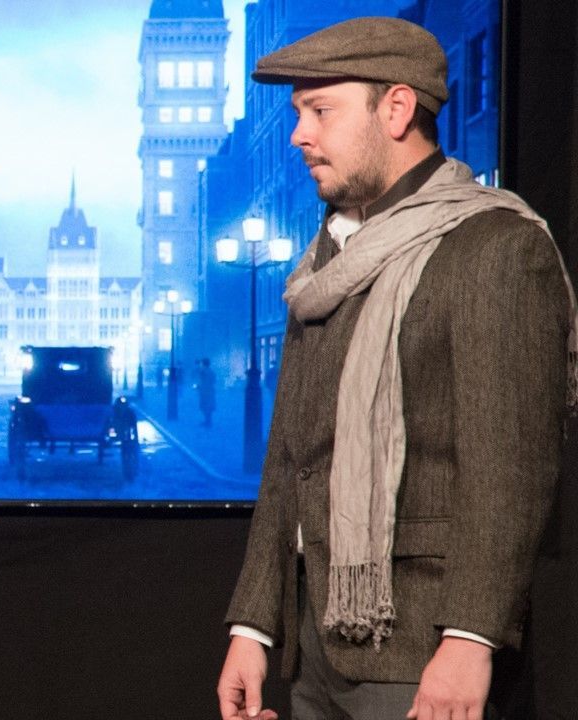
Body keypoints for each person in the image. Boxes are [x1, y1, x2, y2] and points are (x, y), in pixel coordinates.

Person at [215, 18, 577, 720]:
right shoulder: (325, 262)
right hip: (319, 645)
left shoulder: (495, 248)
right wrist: (253, 627)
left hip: (426, 653)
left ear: (397, 108)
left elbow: (509, 469)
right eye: (297, 114)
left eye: (320, 111)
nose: (298, 135)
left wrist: (469, 640)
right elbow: (290, 458)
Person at [196, 358, 216, 428]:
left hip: (204, 391)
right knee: (209, 406)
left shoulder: (203, 371)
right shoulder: (212, 371)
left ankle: (207, 421)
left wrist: (198, 386)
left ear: (204, 363)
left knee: (204, 406)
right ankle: (208, 420)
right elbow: (213, 381)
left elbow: (201, 380)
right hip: (210, 391)